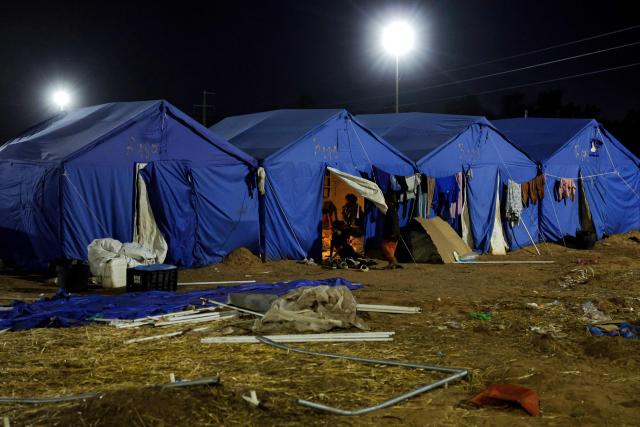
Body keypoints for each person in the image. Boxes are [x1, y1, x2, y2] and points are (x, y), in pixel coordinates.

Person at [381, 193, 402, 269]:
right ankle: (392, 264)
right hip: (395, 233)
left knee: (385, 247)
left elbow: (393, 223)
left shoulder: (391, 210)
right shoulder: (393, 209)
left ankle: (393, 263)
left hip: (392, 233)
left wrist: (392, 233)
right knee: (391, 250)